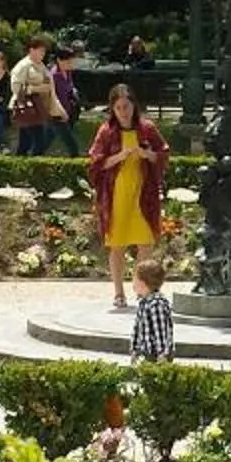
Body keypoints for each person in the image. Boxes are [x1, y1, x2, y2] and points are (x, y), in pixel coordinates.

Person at [88, 84, 170, 310]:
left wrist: (147, 154)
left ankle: (144, 289)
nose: (124, 111)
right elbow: (95, 163)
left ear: (134, 106)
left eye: (127, 106)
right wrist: (118, 157)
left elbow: (163, 155)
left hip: (143, 194)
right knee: (118, 245)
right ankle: (118, 292)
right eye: (119, 107)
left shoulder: (147, 129)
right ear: (112, 109)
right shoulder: (106, 131)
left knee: (145, 243)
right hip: (116, 195)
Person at [8, 35, 60, 156]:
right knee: (39, 141)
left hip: (39, 107)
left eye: (44, 51)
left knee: (25, 144)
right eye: (40, 51)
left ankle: (19, 167)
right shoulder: (23, 66)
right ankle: (34, 167)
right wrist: (35, 88)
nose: (43, 54)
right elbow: (16, 87)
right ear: (32, 50)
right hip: (27, 107)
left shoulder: (41, 65)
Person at [128, 258, 177, 363]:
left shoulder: (156, 305)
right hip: (146, 353)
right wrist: (134, 350)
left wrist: (162, 354)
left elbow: (160, 332)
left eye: (134, 280)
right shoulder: (143, 302)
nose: (132, 284)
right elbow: (138, 329)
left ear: (142, 283)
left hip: (157, 356)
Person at [51, 45, 86, 156]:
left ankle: (32, 158)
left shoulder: (68, 72)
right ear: (59, 60)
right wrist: (61, 112)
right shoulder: (54, 75)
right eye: (68, 61)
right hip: (58, 115)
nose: (71, 63)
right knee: (73, 146)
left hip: (68, 112)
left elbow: (70, 87)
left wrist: (74, 92)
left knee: (45, 141)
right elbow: (53, 97)